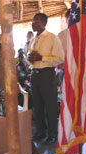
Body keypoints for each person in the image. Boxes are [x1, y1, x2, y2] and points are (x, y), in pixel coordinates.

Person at [28, 13, 64, 145]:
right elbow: (29, 58)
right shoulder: (33, 40)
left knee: (50, 105)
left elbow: (60, 58)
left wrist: (41, 58)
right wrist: (29, 59)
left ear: (43, 23)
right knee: (37, 105)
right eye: (32, 21)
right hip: (34, 74)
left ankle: (52, 134)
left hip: (47, 74)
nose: (33, 23)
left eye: (35, 21)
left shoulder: (52, 38)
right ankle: (40, 132)